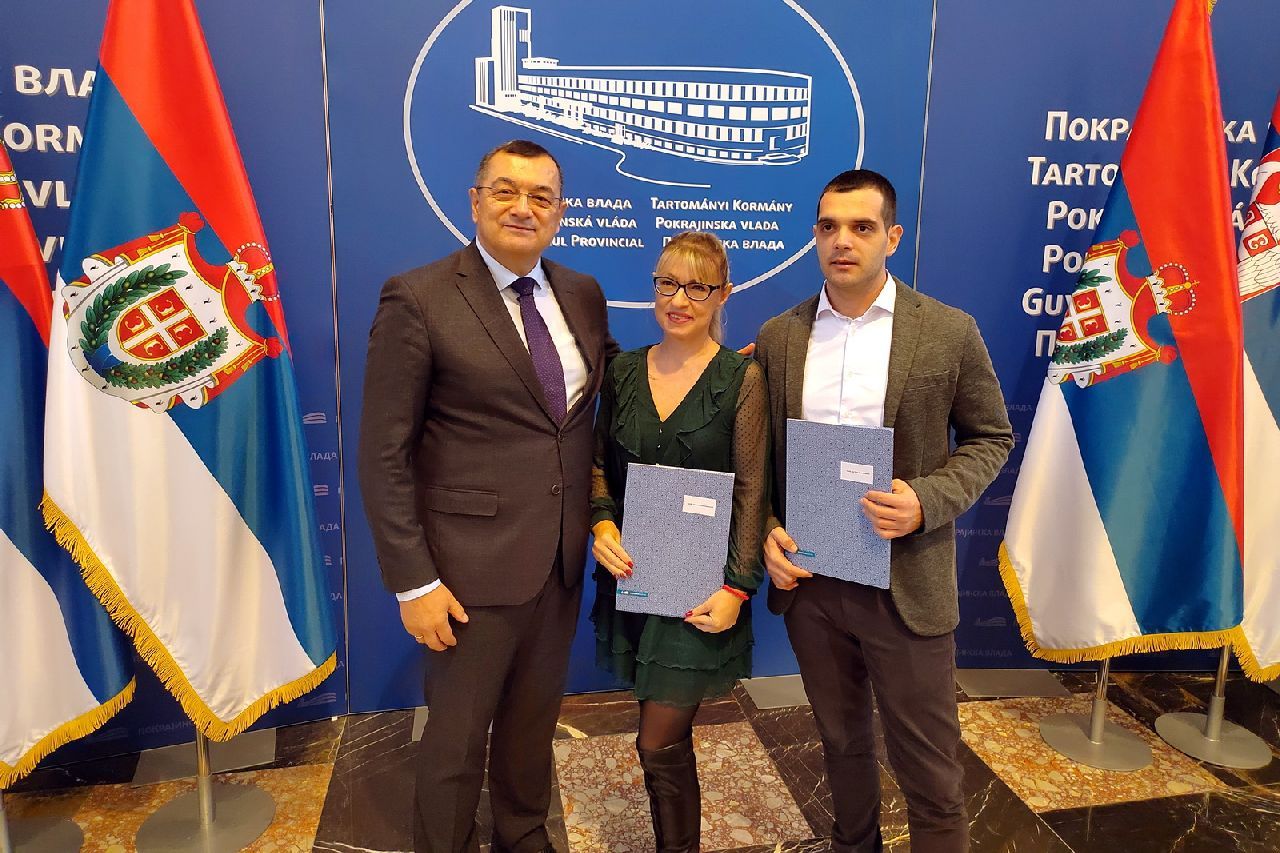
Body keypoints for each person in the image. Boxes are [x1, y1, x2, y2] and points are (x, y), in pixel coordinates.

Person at [358, 139, 616, 853]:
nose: (522, 207)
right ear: (475, 202)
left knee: (532, 729)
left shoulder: (582, 293)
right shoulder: (418, 297)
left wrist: (707, 369)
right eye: (506, 191)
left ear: (559, 213)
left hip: (560, 563)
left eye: (540, 196)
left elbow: (614, 384)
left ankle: (523, 835)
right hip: (466, 573)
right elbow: (383, 454)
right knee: (456, 743)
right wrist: (414, 582)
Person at [754, 170, 1013, 853]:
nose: (843, 240)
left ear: (892, 237)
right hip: (813, 587)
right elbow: (764, 458)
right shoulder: (781, 336)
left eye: (862, 227)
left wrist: (927, 500)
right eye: (829, 227)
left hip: (906, 584)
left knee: (929, 770)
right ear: (815, 235)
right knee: (840, 745)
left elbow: (991, 438)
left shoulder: (948, 331)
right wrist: (768, 530)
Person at [589, 231, 769, 853]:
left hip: (701, 588)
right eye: (667, 283)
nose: (679, 299)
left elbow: (752, 490)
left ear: (723, 295)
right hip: (634, 577)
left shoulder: (742, 379)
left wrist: (738, 588)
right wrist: (601, 523)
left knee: (657, 740)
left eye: (697, 287)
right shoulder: (621, 371)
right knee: (660, 740)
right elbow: (598, 465)